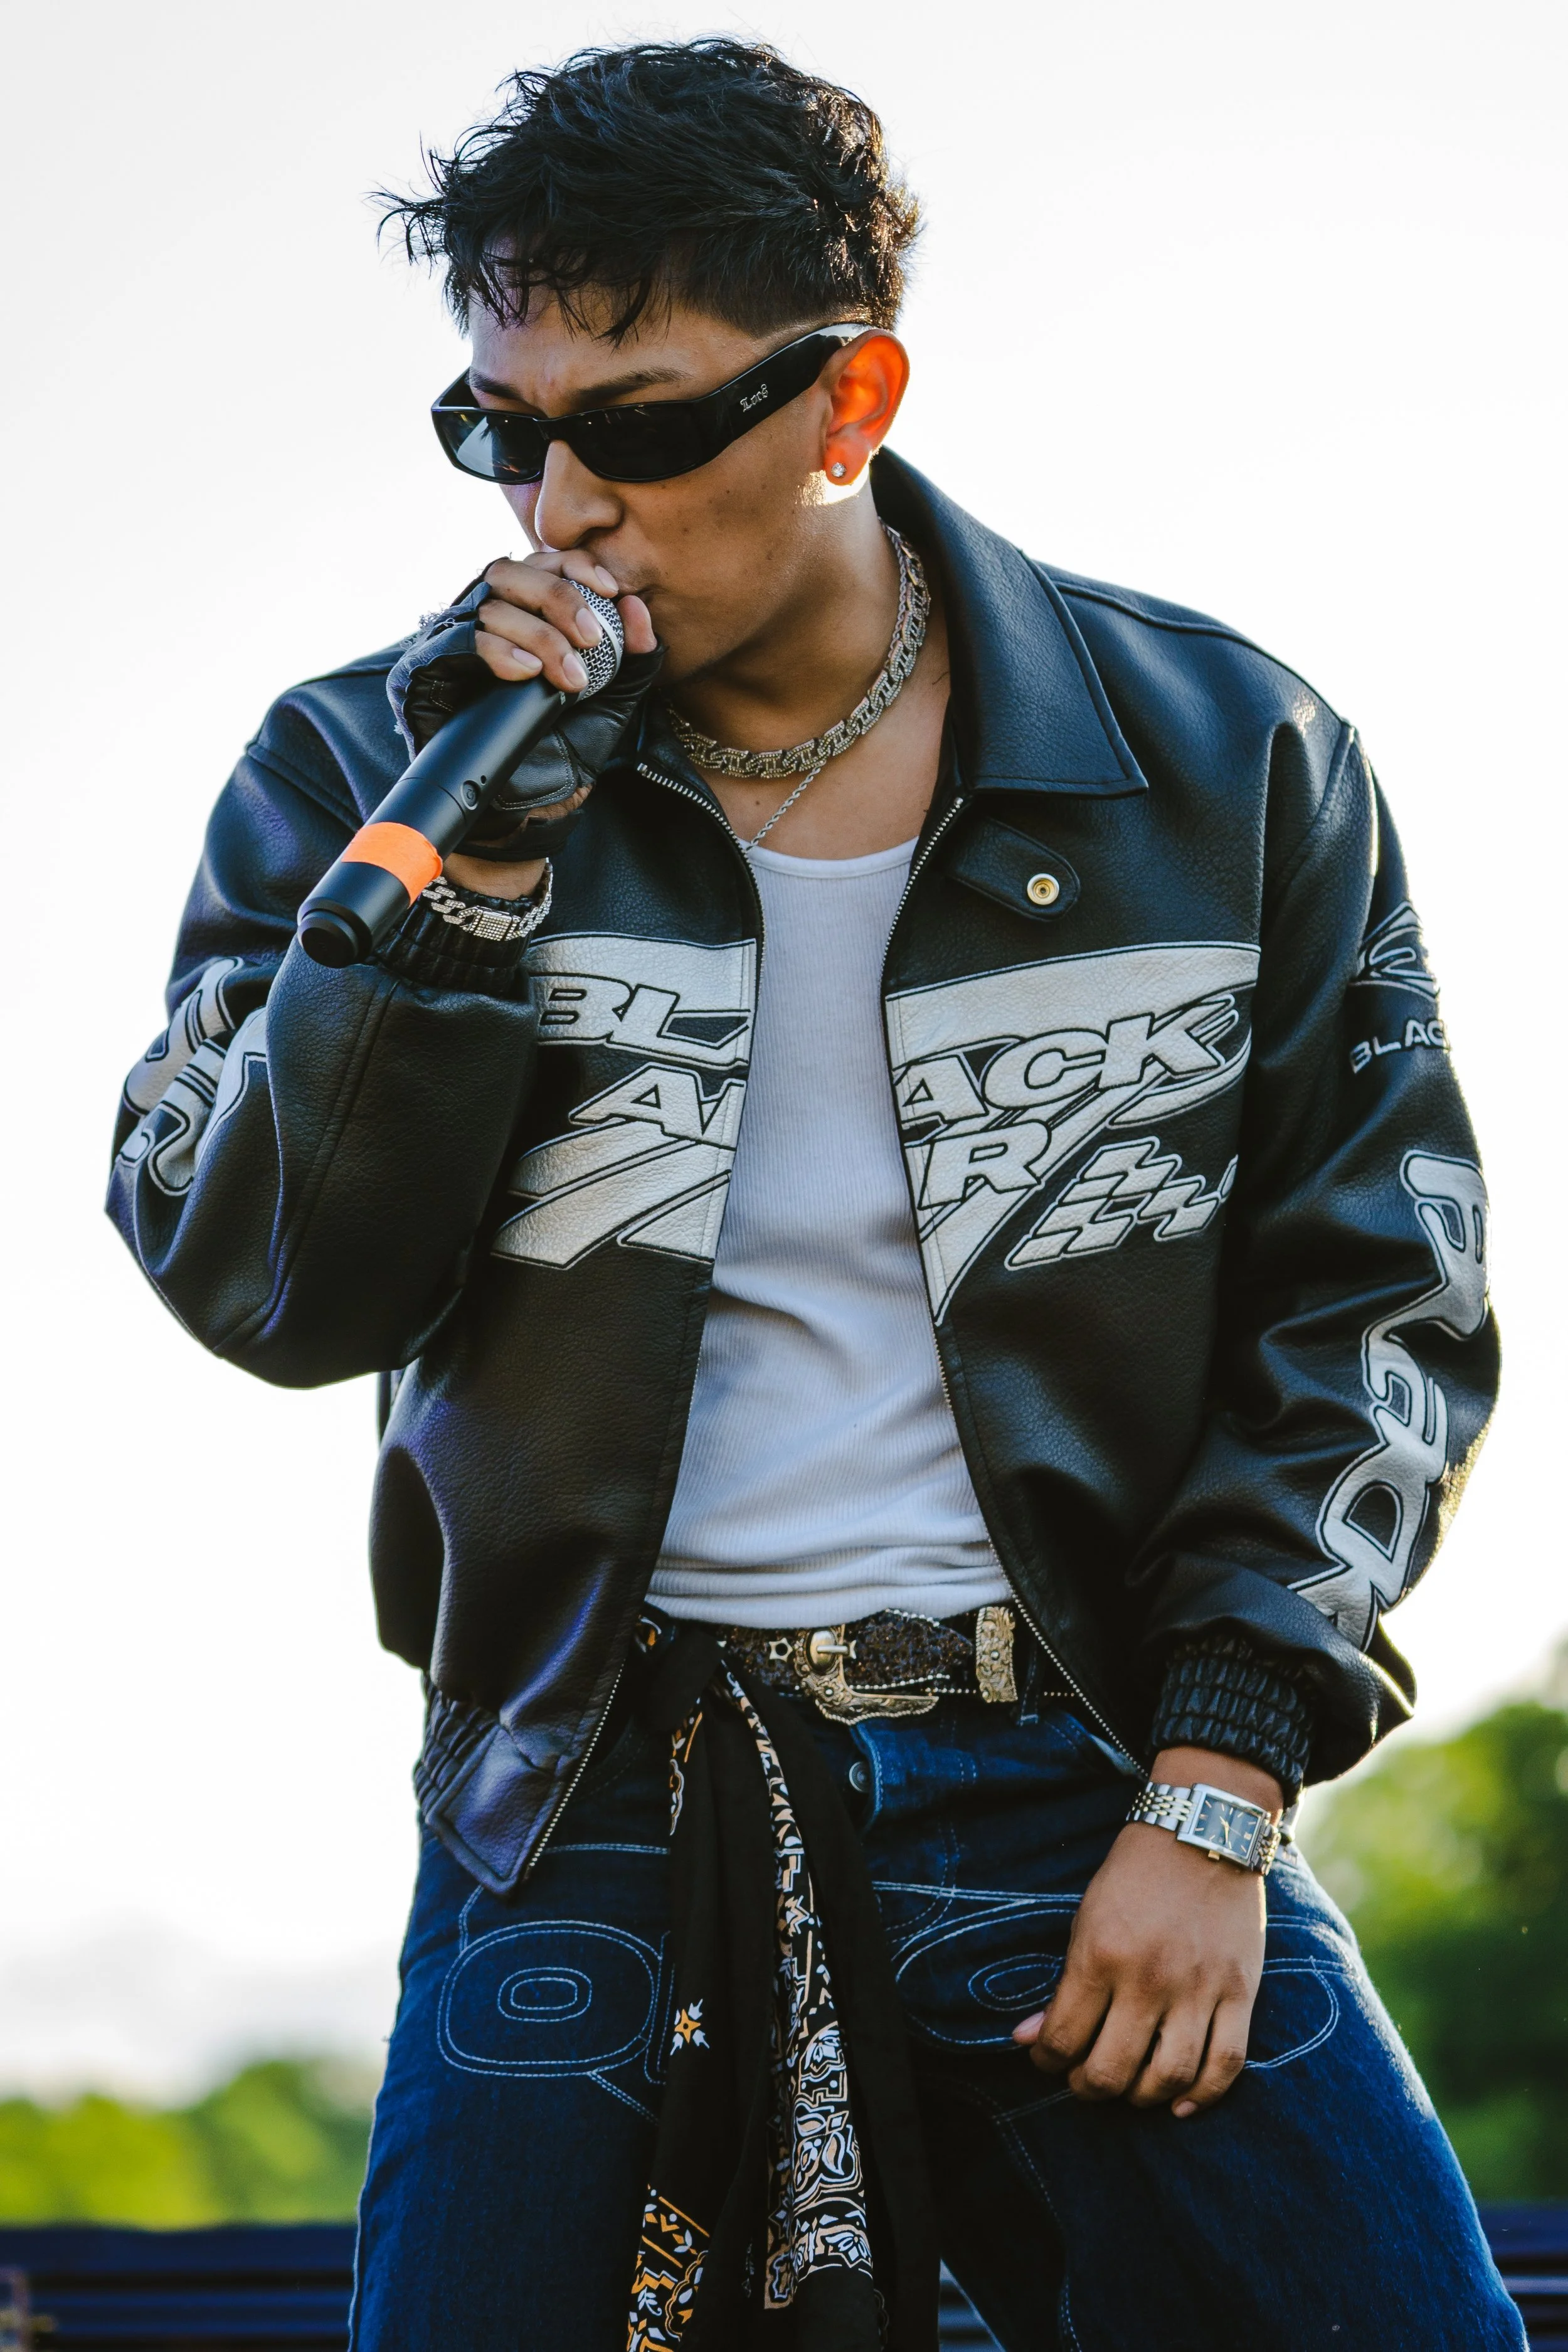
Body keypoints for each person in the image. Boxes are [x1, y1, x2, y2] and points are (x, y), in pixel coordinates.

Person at [109, 38, 1520, 2352]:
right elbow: (263, 1280)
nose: (562, 505)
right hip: (588, 1789)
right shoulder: (369, 768)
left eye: (640, 426)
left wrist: (1218, 1783)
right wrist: (467, 879)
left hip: (1092, 1767)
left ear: (848, 398)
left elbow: (1378, 1301)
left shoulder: (1223, 757)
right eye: (499, 429)